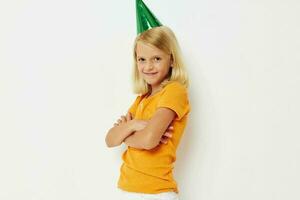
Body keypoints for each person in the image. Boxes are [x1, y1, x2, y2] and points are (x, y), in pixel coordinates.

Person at [105, 1, 190, 199]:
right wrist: (135, 124)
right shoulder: (142, 99)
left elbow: (150, 140)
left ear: (172, 59)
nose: (148, 66)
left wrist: (125, 135)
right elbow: (110, 140)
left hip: (156, 193)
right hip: (127, 189)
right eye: (142, 59)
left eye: (156, 59)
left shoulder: (174, 91)